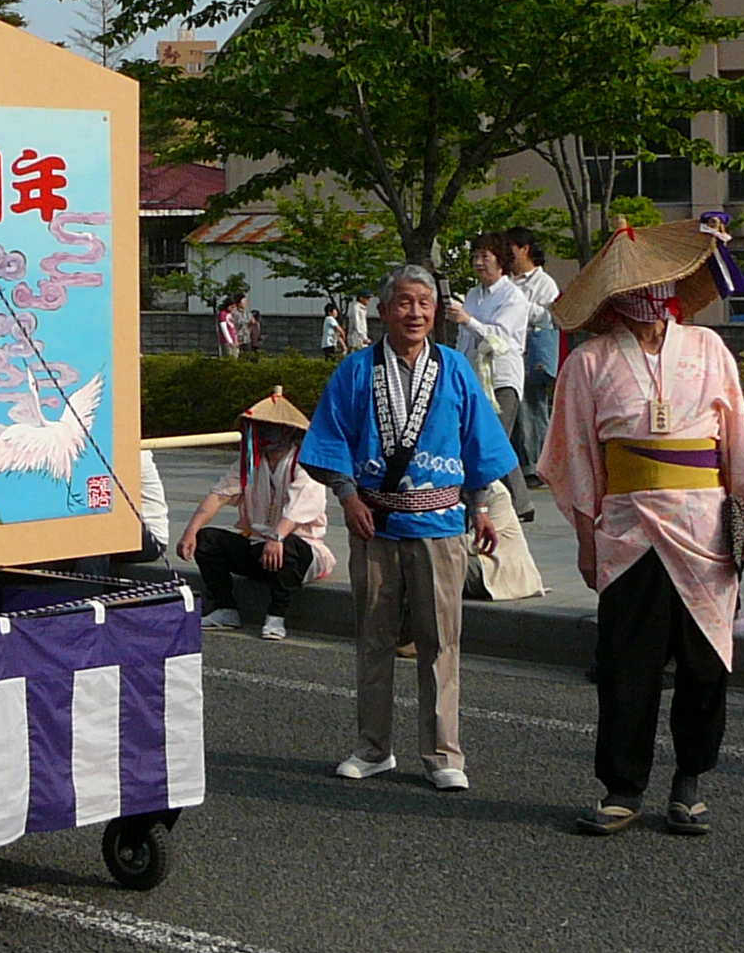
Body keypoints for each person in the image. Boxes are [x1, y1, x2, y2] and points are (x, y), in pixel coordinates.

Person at [539, 221, 744, 838]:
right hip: (629, 529)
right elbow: (575, 455)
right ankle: (622, 788)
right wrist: (587, 539)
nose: (648, 295)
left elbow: (738, 436)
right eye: (635, 287)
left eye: (657, 282)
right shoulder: (588, 362)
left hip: (705, 526)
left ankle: (689, 779)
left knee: (705, 663)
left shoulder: (708, 348)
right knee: (626, 664)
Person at [299, 264, 513, 791]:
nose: (415, 313)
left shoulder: (456, 368)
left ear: (435, 311)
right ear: (383, 309)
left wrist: (481, 507)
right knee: (374, 638)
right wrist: (347, 496)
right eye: (404, 302)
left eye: (424, 303)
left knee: (440, 640)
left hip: (441, 524)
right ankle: (373, 748)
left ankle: (444, 754)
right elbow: (330, 437)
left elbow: (477, 440)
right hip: (375, 522)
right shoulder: (354, 370)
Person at [178, 388, 335, 642]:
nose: (266, 434)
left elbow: (301, 507)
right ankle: (224, 608)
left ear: (290, 431)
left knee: (289, 547)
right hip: (258, 545)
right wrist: (191, 530)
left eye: (274, 428)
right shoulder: (249, 462)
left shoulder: (304, 463)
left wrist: (277, 536)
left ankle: (276, 615)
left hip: (299, 549)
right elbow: (219, 495)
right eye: (262, 428)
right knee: (207, 539)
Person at [445, 235, 535, 523]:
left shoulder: (513, 297)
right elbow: (464, 339)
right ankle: (521, 503)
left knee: (491, 439)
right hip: (474, 376)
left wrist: (467, 320)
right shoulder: (473, 295)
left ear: (501, 261)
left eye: (485, 256)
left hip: (502, 377)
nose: (478, 262)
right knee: (492, 440)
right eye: (476, 256)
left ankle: (481, 500)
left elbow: (500, 339)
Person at [506, 227, 560, 473]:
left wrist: (516, 305)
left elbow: (549, 317)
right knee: (512, 408)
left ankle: (538, 463)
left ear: (524, 249)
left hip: (530, 351)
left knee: (532, 406)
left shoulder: (544, 282)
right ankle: (518, 463)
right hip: (507, 350)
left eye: (510, 247)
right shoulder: (506, 279)